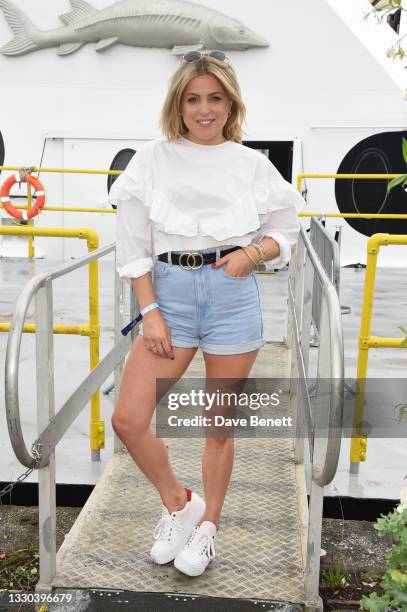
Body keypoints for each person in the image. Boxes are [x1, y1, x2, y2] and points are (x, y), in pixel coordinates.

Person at [109, 50, 305, 577]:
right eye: (193, 99)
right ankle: (179, 502)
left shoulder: (251, 164)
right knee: (128, 419)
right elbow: (131, 244)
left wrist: (252, 254)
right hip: (167, 294)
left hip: (231, 296)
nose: (204, 110)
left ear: (230, 104)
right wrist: (150, 310)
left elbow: (286, 227)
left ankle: (207, 528)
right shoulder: (150, 159)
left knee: (218, 425)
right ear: (179, 103)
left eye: (215, 98)